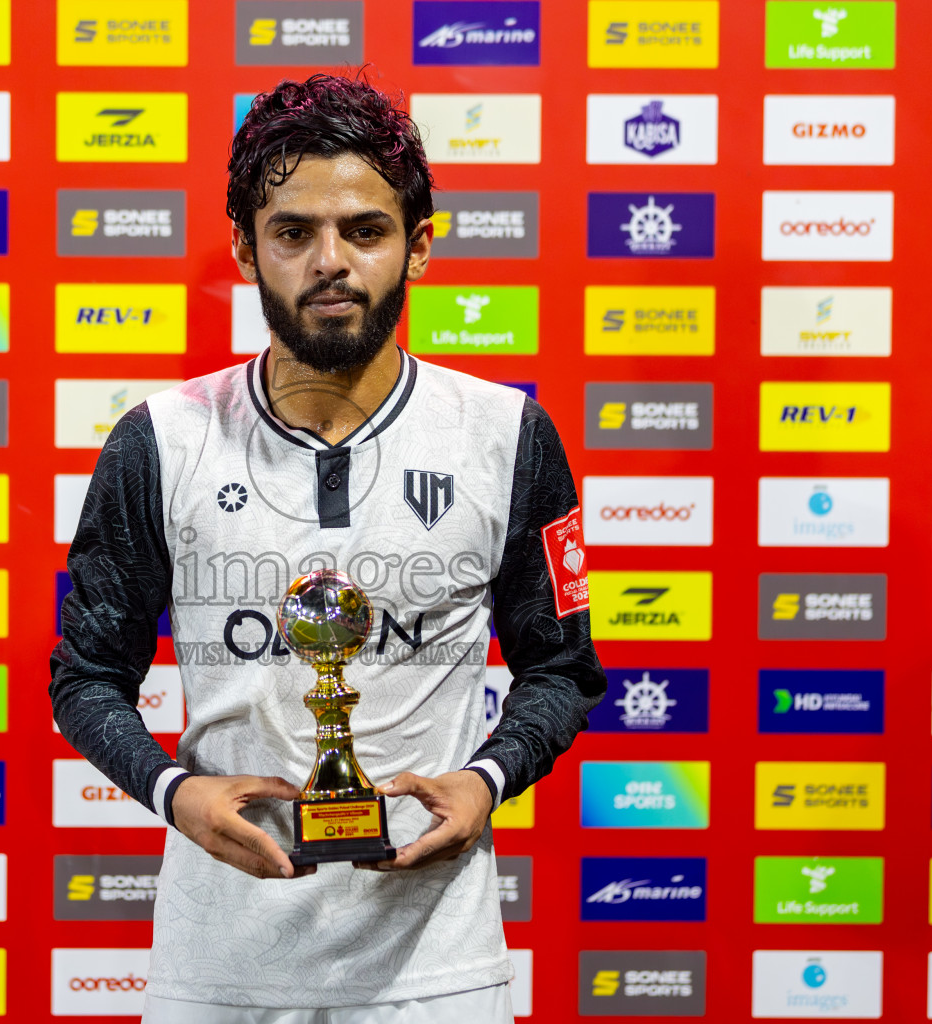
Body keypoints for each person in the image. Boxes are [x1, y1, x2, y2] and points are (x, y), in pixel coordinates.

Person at [50, 71, 606, 1024]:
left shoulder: (507, 435)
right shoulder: (161, 439)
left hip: (435, 972)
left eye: (365, 229)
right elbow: (85, 678)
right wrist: (173, 792)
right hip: (219, 968)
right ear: (243, 248)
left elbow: (562, 669)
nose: (329, 261)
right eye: (294, 231)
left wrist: (487, 781)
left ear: (419, 246)